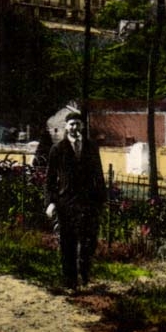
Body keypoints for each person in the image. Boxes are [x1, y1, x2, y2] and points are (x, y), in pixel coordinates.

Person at [45, 111, 106, 291]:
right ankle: (70, 282)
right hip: (66, 203)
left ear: (82, 126)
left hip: (88, 203)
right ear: (66, 127)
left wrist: (101, 200)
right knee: (68, 243)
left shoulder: (91, 148)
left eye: (78, 124)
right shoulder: (57, 149)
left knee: (89, 241)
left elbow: (99, 175)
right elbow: (50, 180)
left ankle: (85, 276)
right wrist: (50, 202)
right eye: (71, 124)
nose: (74, 127)